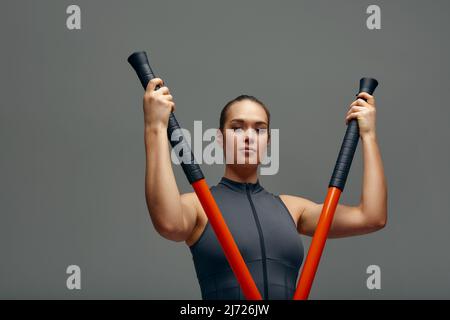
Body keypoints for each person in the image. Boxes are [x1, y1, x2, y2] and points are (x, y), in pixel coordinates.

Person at [142, 77, 387, 299]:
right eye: (237, 128)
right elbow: (168, 224)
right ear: (220, 138)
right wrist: (155, 128)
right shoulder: (199, 205)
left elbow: (372, 217)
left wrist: (368, 136)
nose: (249, 136)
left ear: (268, 141)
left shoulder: (293, 210)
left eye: (259, 129)